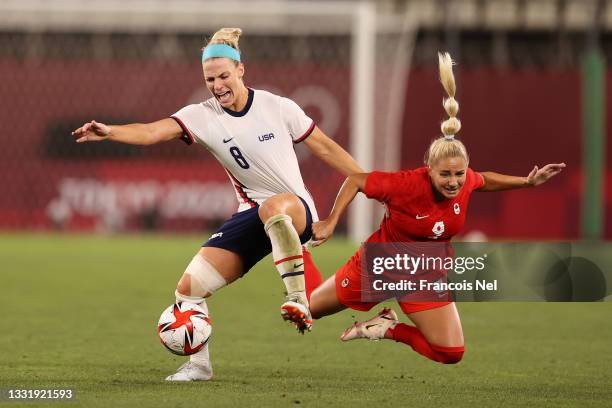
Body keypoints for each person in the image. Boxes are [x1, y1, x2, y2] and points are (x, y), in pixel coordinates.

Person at [72, 27, 361, 381]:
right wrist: (110, 131)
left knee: (273, 207)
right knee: (187, 291)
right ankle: (199, 366)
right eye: (210, 79)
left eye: (224, 75)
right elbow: (151, 132)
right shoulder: (202, 115)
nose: (218, 84)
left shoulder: (278, 107)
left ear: (241, 70)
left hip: (294, 209)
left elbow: (328, 149)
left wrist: (361, 190)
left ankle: (297, 298)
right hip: (251, 214)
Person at [308, 52, 565, 365]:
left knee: (450, 353)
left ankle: (386, 328)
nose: (454, 182)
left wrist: (526, 182)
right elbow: (357, 180)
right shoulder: (404, 185)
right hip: (380, 265)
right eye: (445, 174)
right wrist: (332, 221)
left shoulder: (465, 180)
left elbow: (484, 180)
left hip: (425, 276)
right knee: (307, 311)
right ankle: (297, 258)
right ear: (428, 168)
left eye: (459, 174)